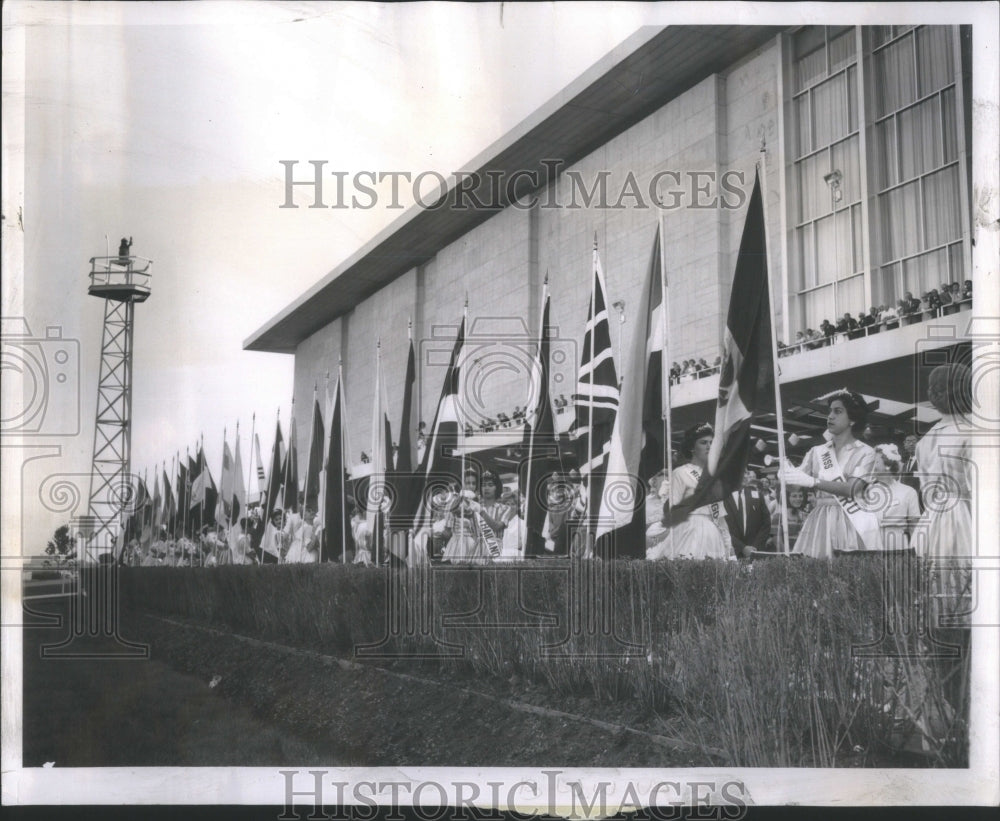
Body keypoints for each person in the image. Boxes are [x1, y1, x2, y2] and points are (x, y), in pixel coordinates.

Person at [779, 389, 881, 558]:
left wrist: (814, 482)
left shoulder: (866, 452)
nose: (830, 416)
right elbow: (795, 486)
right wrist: (787, 473)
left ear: (853, 419)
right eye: (830, 411)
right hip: (820, 521)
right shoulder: (817, 451)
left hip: (851, 521)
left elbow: (851, 489)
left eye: (838, 411)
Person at [646, 423, 734, 561]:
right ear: (692, 447)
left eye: (712, 443)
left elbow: (720, 518)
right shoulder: (681, 473)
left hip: (712, 533)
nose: (709, 446)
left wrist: (729, 546)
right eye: (703, 442)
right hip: (688, 530)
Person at [914, 363, 973, 560]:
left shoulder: (924, 440)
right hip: (967, 515)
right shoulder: (974, 432)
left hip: (932, 517)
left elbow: (926, 490)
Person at [868, 443, 921, 553]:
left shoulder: (908, 492)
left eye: (875, 462)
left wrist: (918, 552)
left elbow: (914, 527)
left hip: (897, 543)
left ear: (888, 465)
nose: (871, 466)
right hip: (870, 543)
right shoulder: (865, 490)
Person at [442, 469, 491, 564]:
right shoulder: (453, 503)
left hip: (476, 542)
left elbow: (481, 528)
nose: (471, 486)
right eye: (468, 483)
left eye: (474, 483)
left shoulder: (478, 504)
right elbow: (447, 529)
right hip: (457, 542)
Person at [723, 471, 772, 558]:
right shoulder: (721, 497)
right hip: (730, 552)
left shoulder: (757, 495)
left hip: (755, 552)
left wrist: (755, 547)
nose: (744, 475)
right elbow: (720, 527)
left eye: (746, 473)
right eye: (740, 471)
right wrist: (742, 547)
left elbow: (766, 523)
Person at [769, 485, 809, 551]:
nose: (798, 499)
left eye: (800, 496)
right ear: (787, 497)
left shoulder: (805, 516)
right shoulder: (778, 517)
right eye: (794, 496)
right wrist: (790, 556)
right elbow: (777, 542)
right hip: (786, 557)